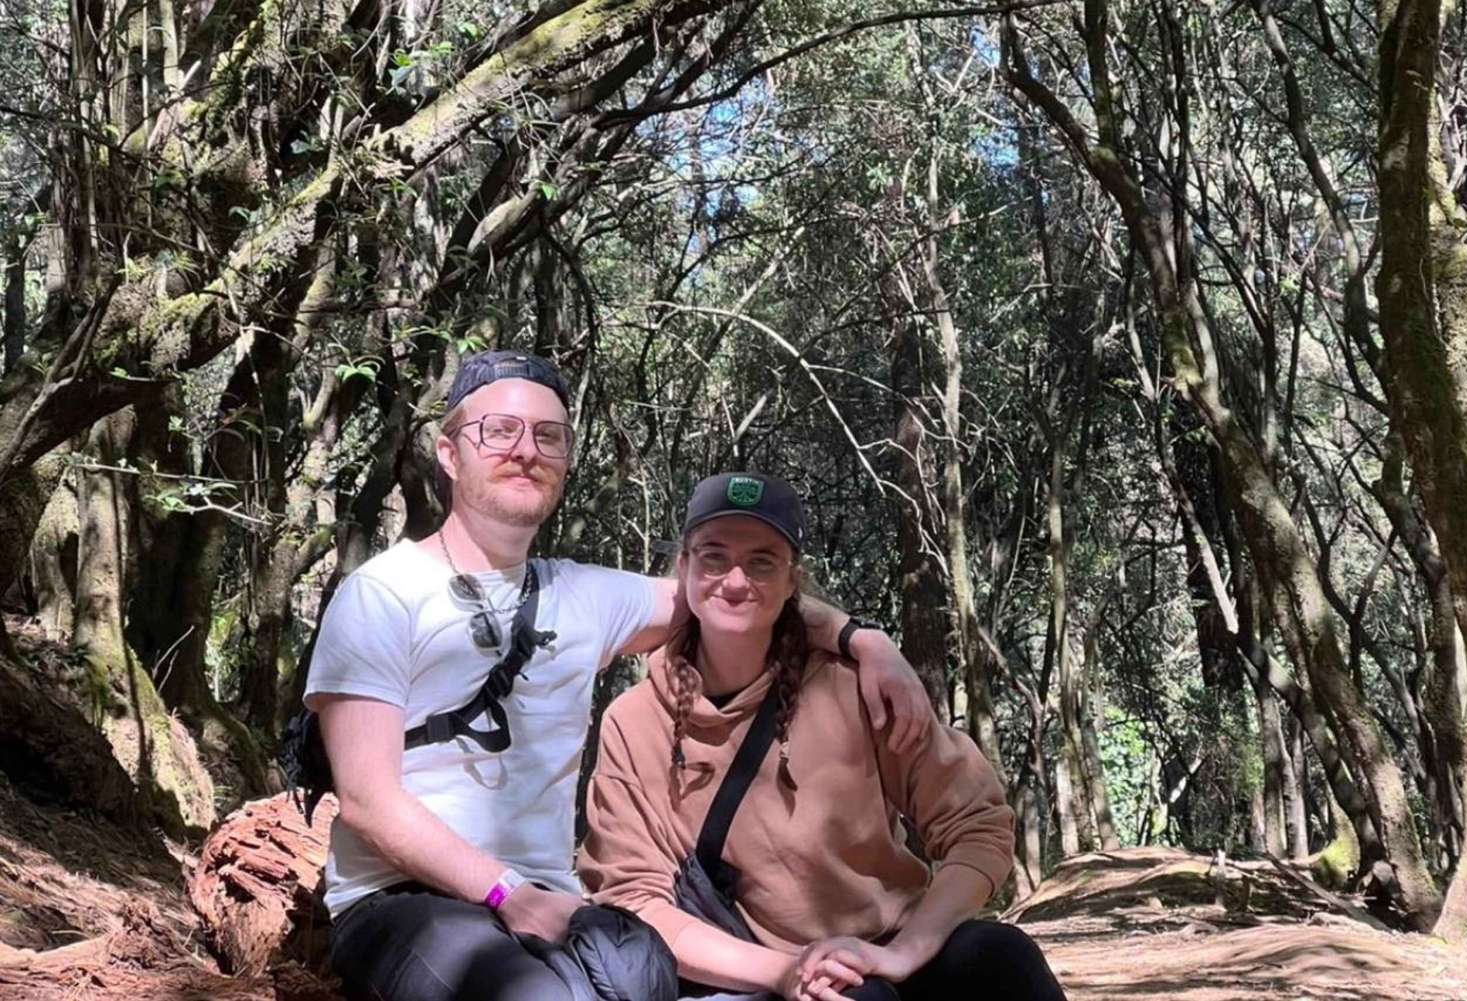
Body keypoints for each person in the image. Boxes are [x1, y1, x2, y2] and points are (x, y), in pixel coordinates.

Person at [304, 350, 935, 1001]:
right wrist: (505, 892)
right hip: (404, 903)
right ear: (449, 452)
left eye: (548, 435)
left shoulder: (584, 596)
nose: (526, 449)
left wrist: (865, 639)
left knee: (648, 979)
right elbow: (369, 801)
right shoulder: (384, 592)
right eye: (499, 430)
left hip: (551, 907)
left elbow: (735, 594)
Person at [578, 473, 1068, 1001]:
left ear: (793, 578)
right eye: (714, 557)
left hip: (892, 949)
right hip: (756, 976)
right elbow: (635, 899)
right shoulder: (635, 722)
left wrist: (904, 954)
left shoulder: (856, 686)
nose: (735, 581)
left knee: (1001, 956)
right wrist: (786, 973)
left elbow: (979, 825)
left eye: (762, 561)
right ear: (684, 568)